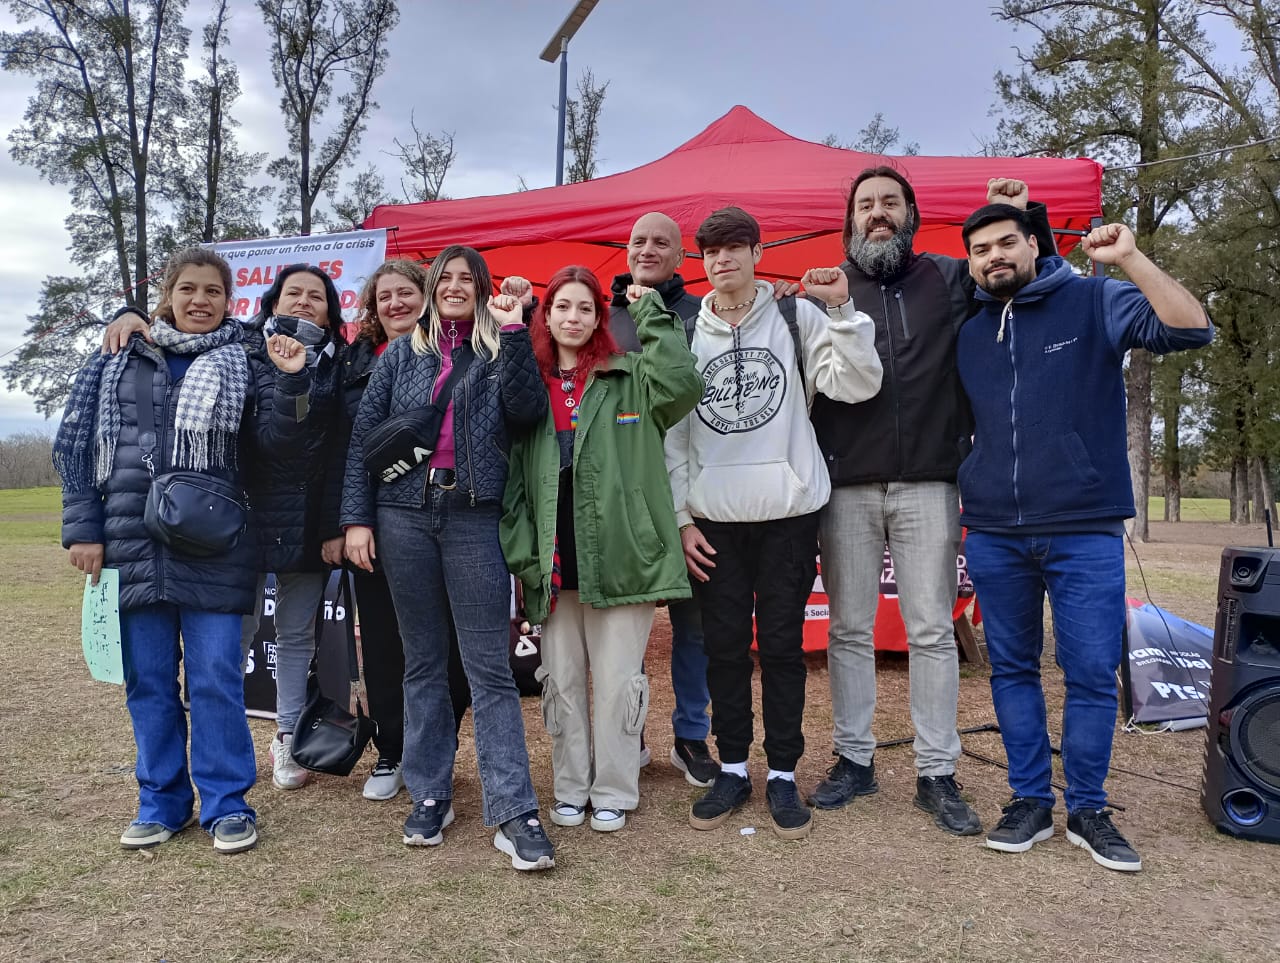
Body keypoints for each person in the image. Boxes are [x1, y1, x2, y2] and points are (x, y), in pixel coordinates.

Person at [957, 206, 1212, 872]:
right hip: (994, 532)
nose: (994, 256)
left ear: (1034, 243)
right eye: (981, 249)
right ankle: (1030, 800)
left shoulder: (1095, 298)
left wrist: (1130, 257)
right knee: (1012, 670)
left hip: (1083, 528)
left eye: (1006, 242)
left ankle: (1089, 808)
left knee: (1093, 674)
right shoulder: (970, 329)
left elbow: (1191, 328)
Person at [806, 169, 1055, 837]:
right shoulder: (823, 290)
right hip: (846, 485)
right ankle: (854, 760)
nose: (878, 214)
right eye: (866, 205)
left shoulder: (950, 279)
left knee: (931, 631)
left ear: (912, 213)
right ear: (850, 218)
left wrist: (1025, 216)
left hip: (931, 481)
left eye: (890, 203)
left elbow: (1027, 283)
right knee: (849, 629)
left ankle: (936, 771)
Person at [56, 247, 310, 855]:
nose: (200, 301)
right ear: (167, 294)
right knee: (147, 681)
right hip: (129, 541)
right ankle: (161, 802)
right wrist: (82, 528)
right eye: (189, 289)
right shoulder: (117, 354)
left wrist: (293, 384)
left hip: (215, 543)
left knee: (217, 678)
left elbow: (277, 443)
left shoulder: (248, 358)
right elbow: (74, 444)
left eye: (213, 292)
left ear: (230, 302)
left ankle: (226, 805)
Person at [666, 207, 883, 839]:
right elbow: (672, 438)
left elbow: (859, 384)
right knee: (724, 650)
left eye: (734, 247)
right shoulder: (685, 332)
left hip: (789, 515)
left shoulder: (796, 316)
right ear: (700, 261)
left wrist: (843, 313)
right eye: (710, 251)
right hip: (715, 520)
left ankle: (783, 773)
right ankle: (733, 767)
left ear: (758, 251)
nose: (721, 260)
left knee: (784, 651)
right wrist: (683, 519)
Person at [341, 245, 555, 871]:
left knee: (488, 668)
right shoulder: (403, 353)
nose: (455, 286)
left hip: (472, 515)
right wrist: (356, 519)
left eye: (468, 279)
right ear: (433, 288)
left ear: (483, 289)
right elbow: (363, 443)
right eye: (447, 278)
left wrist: (514, 330)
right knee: (423, 663)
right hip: (403, 516)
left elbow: (527, 411)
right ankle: (431, 792)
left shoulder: (498, 351)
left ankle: (514, 810)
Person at [103, 263, 350, 794]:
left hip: (306, 523)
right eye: (293, 294)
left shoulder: (339, 363)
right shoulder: (240, 349)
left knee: (296, 635)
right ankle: (226, 739)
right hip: (235, 521)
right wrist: (128, 313)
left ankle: (289, 735)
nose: (304, 303)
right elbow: (179, 327)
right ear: (272, 302)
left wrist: (333, 523)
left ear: (331, 309)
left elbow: (338, 454)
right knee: (226, 644)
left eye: (316, 296)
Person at [502, 266, 702, 833]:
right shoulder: (530, 383)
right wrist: (522, 552)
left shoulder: (630, 374)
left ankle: (613, 788)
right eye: (561, 306)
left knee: (619, 684)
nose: (572, 317)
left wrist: (650, 313)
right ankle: (569, 786)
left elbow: (684, 384)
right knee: (560, 682)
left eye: (585, 308)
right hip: (553, 559)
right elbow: (514, 481)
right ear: (547, 316)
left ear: (599, 318)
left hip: (623, 555)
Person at [336, 259, 472, 801]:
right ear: (372, 307)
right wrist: (355, 521)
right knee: (391, 647)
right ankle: (393, 748)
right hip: (380, 522)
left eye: (406, 292)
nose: (396, 303)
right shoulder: (352, 364)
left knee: (455, 648)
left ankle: (435, 743)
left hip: (449, 518)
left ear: (428, 296)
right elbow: (350, 452)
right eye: (384, 295)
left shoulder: (458, 355)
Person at [606, 212, 720, 787]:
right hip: (624, 496)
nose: (647, 250)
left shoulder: (702, 316)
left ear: (681, 257)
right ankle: (630, 733)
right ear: (626, 251)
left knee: (694, 626)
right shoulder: (603, 320)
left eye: (661, 243)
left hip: (690, 494)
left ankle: (691, 735)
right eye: (638, 241)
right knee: (625, 628)